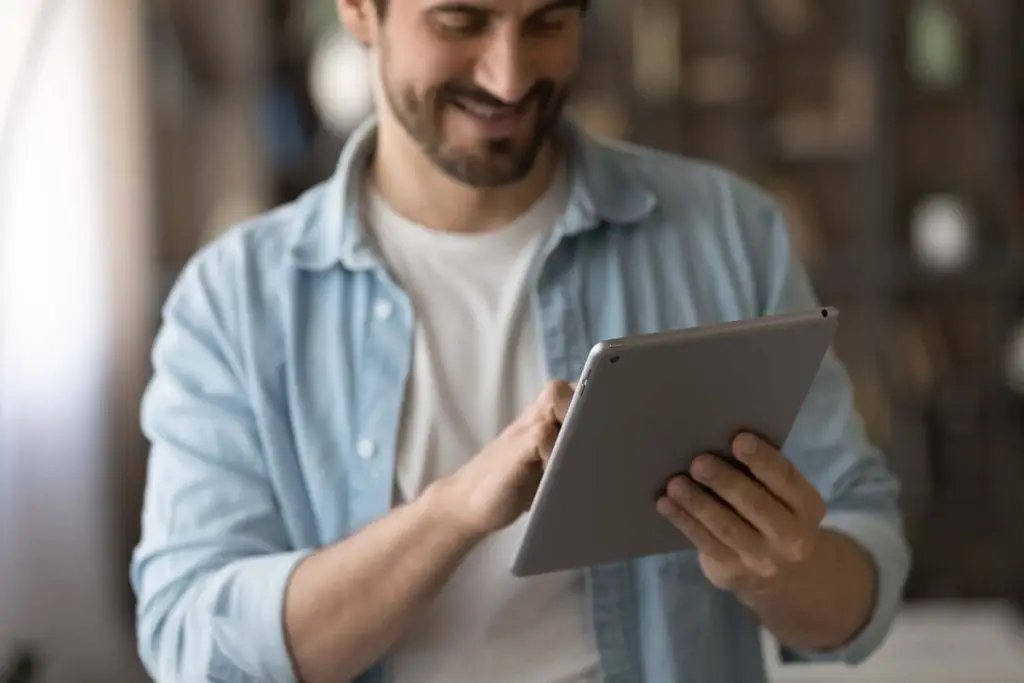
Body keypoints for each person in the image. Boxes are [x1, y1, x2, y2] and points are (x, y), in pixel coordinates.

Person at [129, 0, 911, 681]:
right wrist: (452, 514)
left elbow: (862, 581)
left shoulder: (727, 234)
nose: (508, 78)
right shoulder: (233, 299)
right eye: (460, 21)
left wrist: (780, 567)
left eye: (548, 22)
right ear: (359, 9)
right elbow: (191, 646)